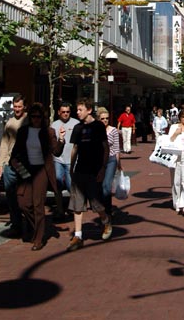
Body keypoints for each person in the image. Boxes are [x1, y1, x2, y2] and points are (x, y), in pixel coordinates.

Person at [10, 102, 65, 250]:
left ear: (43, 118)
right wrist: (14, 162)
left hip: (41, 170)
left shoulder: (49, 132)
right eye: (33, 116)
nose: (36, 119)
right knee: (23, 203)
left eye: (38, 117)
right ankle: (38, 227)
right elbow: (15, 152)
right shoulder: (23, 131)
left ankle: (39, 239)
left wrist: (61, 140)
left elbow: (56, 152)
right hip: (26, 170)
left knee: (38, 204)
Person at [67, 98, 112, 252]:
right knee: (77, 204)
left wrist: (103, 168)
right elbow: (75, 148)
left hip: (94, 169)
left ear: (89, 110)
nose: (77, 112)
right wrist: (71, 166)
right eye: (77, 110)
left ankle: (106, 220)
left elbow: (105, 148)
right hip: (80, 169)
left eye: (80, 110)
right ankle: (78, 236)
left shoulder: (99, 126)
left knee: (96, 203)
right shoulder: (77, 128)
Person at [0, 94, 29, 238]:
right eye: (15, 107)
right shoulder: (9, 123)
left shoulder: (29, 121)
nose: (17, 109)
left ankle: (29, 224)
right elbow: (4, 144)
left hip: (24, 165)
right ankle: (16, 225)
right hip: (10, 164)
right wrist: (1, 164)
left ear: (24, 107)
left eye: (19, 107)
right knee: (10, 196)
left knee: (25, 196)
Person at [51, 102, 80, 218]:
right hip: (57, 160)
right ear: (59, 112)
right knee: (57, 184)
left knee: (70, 185)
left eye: (67, 112)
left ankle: (73, 208)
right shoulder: (54, 125)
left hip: (71, 160)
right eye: (63, 112)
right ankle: (59, 210)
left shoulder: (76, 124)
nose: (65, 114)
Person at [98, 106, 121, 218]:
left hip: (111, 160)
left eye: (106, 118)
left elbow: (116, 148)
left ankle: (107, 209)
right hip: (98, 161)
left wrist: (118, 163)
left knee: (107, 185)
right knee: (100, 185)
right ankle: (102, 207)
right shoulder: (95, 131)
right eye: (102, 119)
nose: (105, 120)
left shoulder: (113, 131)